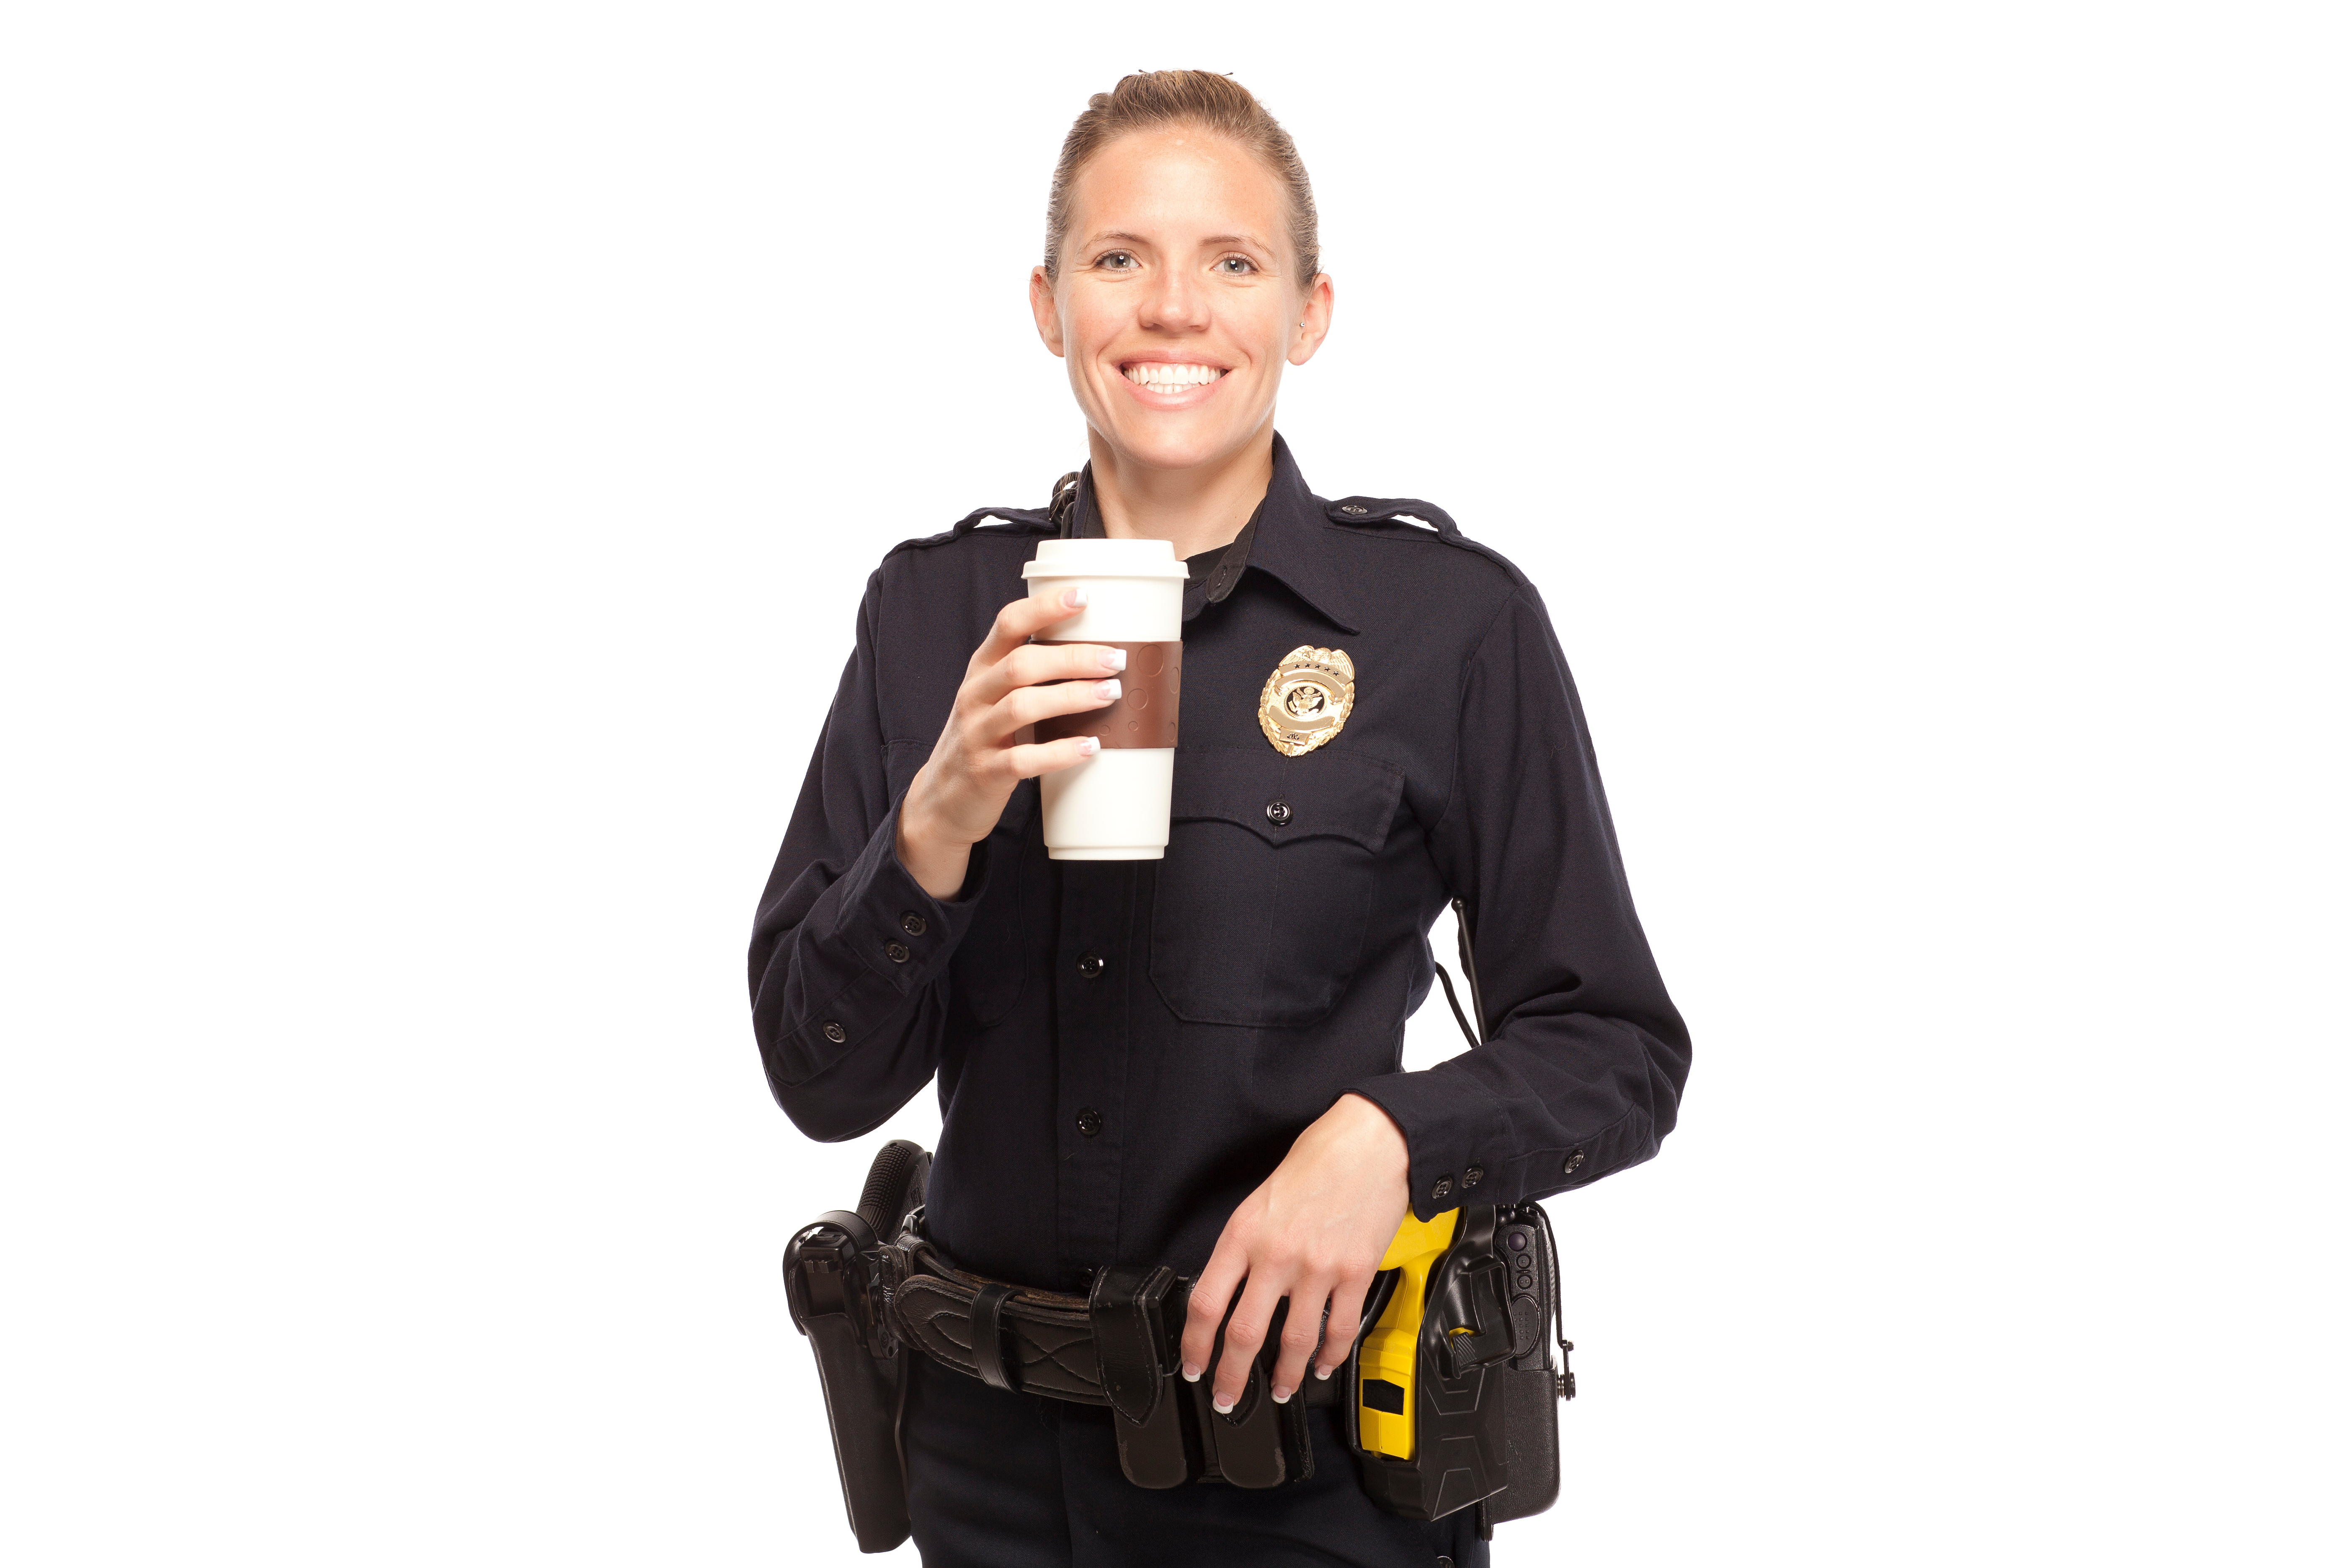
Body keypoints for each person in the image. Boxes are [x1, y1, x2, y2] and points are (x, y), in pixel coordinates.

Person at [749, 70, 1689, 1568]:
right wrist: (938, 817)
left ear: (1309, 313)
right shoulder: (933, 612)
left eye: (1232, 264)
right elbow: (818, 1077)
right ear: (1049, 305)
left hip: (1303, 1475)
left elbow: (1620, 1048)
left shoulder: (1447, 625)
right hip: (980, 1471)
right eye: (1119, 259)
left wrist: (1392, 1136)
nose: (1172, 309)